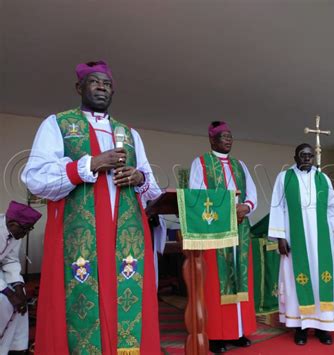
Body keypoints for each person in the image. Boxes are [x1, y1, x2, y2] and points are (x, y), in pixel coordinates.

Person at [21, 61, 161, 354]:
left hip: (126, 235)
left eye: (107, 84)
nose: (101, 88)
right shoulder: (57, 124)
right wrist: (90, 164)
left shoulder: (129, 133)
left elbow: (152, 188)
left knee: (125, 302)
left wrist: (139, 177)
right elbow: (35, 179)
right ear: (79, 87)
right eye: (94, 82)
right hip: (80, 236)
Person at [268, 143, 334, 345]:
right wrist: (280, 237)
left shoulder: (323, 179)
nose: (306, 159)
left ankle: (324, 327)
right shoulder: (284, 178)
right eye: (302, 155)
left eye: (310, 156)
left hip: (322, 240)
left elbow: (333, 208)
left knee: (323, 280)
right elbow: (277, 207)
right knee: (298, 282)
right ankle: (300, 329)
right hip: (296, 241)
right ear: (295, 157)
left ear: (314, 158)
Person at [189, 121, 257, 353]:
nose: (228, 140)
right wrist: (228, 210)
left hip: (240, 230)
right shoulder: (201, 163)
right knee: (216, 283)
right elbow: (197, 195)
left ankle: (239, 331)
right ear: (212, 139)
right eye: (223, 136)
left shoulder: (241, 165)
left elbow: (253, 193)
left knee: (241, 278)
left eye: (230, 136)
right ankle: (216, 336)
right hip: (216, 231)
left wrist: (246, 207)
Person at [0, 201, 42, 355]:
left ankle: (15, 347)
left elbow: (10, 260)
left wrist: (18, 286)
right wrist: (9, 293)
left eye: (29, 229)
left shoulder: (15, 232)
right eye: (25, 229)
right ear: (12, 223)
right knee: (4, 302)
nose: (26, 234)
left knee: (21, 304)